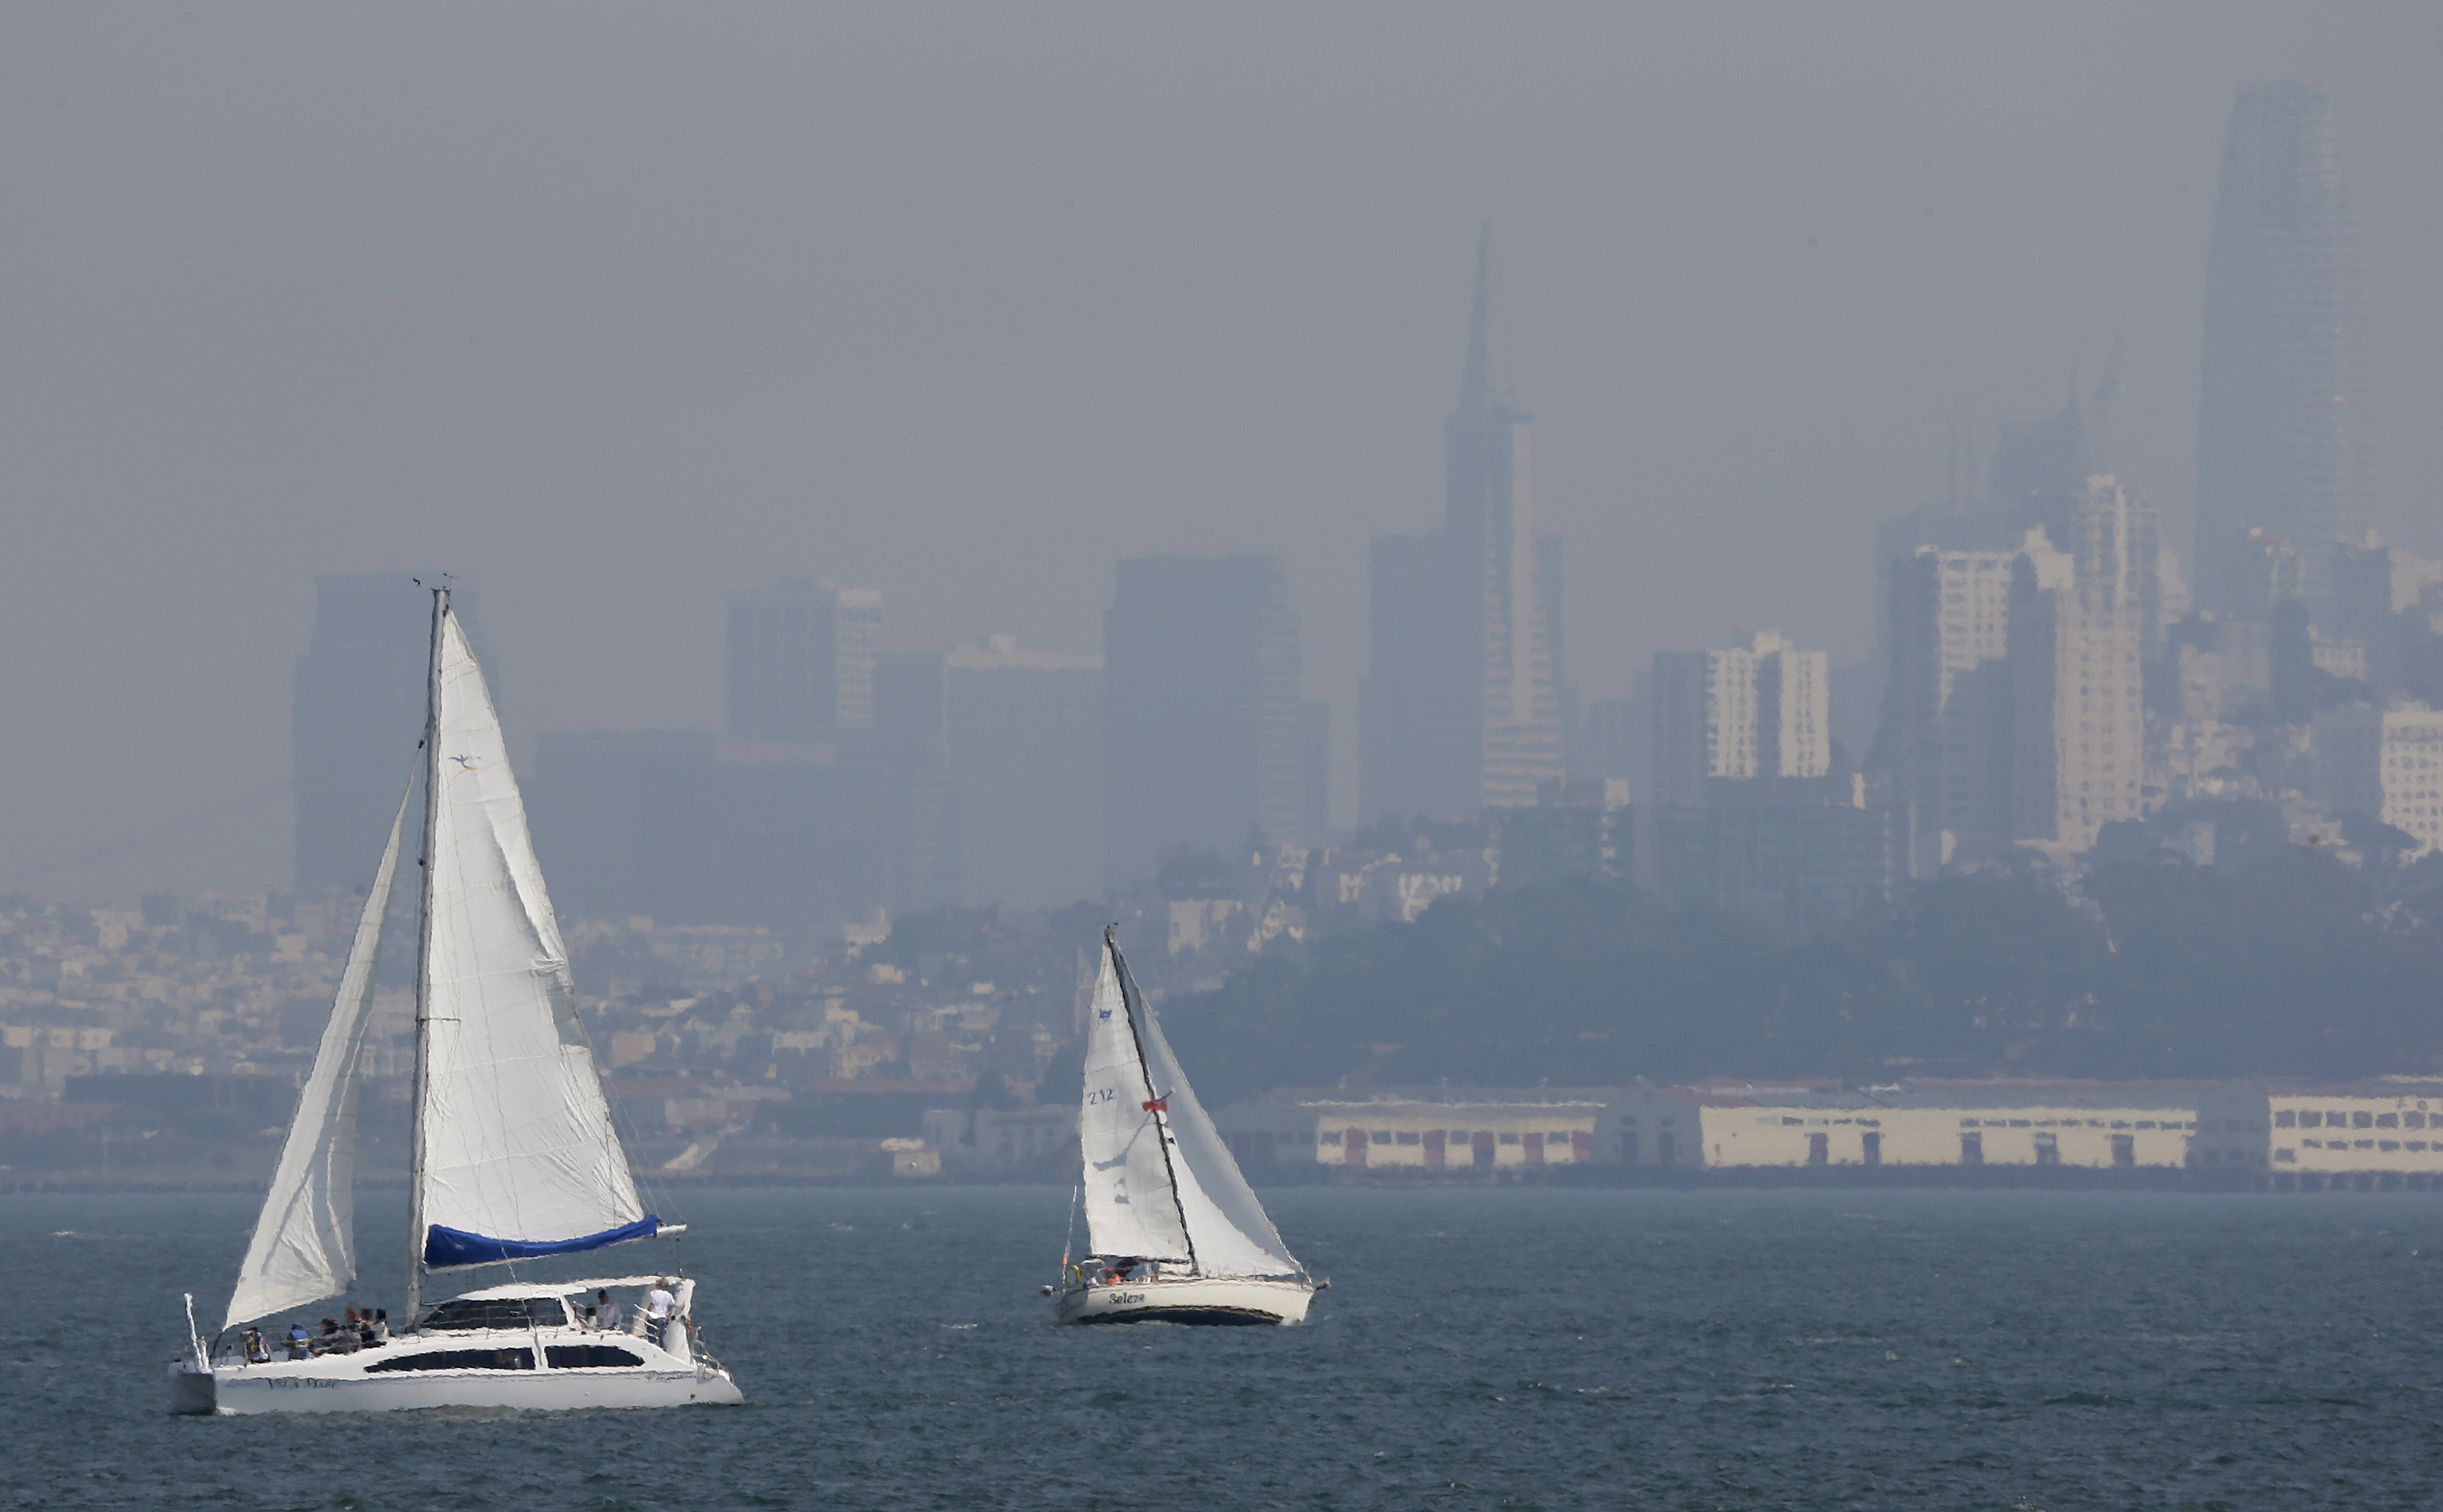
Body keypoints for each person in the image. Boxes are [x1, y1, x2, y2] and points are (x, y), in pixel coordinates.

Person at [643, 1280, 674, 1348]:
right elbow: (671, 1305)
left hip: (654, 1317)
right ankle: (664, 1351)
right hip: (663, 1318)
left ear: (659, 1285)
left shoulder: (653, 1293)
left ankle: (652, 1351)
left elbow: (651, 1306)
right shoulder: (668, 1295)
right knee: (661, 1338)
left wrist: (646, 1318)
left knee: (651, 1338)